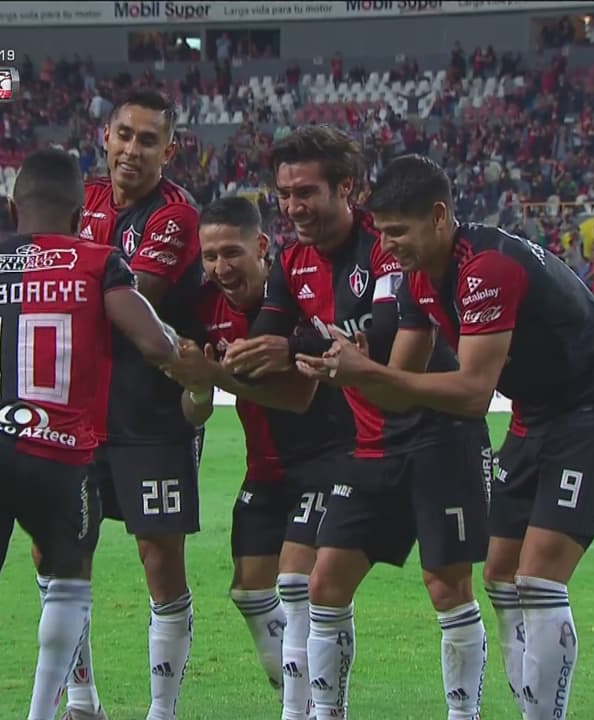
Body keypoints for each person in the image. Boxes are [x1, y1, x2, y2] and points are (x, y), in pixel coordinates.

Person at [294, 154, 594, 720]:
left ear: (439, 217)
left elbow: (474, 392)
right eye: (381, 232)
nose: (387, 246)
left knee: (538, 576)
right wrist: (351, 370)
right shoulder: (418, 279)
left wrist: (370, 372)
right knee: (500, 573)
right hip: (536, 415)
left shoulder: (485, 268)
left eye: (398, 231)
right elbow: (399, 388)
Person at [0, 148, 184, 720]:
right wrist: (178, 348)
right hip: (59, 453)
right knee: (68, 582)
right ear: (80, 216)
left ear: (13, 208)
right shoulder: (98, 261)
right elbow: (156, 345)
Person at [223, 131, 490, 720]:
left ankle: (463, 715)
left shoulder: (388, 244)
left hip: (439, 436)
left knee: (447, 586)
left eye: (305, 192)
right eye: (284, 193)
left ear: (346, 187)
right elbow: (264, 344)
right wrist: (241, 357)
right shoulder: (291, 263)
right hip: (369, 444)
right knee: (324, 584)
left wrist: (294, 343)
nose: (292, 207)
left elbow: (390, 341)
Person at [45, 88, 205, 720]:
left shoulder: (175, 216)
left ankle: (161, 711)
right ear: (105, 137)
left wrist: (63, 282)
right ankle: (82, 702)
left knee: (158, 557)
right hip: (77, 411)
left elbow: (134, 298)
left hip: (151, 413)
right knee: (62, 554)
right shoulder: (79, 199)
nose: (133, 149)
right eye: (125, 135)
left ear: (170, 151)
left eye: (148, 140)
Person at [170, 196, 355, 720]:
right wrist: (199, 387)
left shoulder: (293, 295)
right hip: (265, 469)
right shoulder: (204, 308)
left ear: (262, 247)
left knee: (297, 584)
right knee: (250, 591)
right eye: (210, 256)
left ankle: (314, 710)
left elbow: (298, 397)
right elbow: (194, 409)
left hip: (326, 457)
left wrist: (217, 376)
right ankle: (307, 698)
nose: (220, 268)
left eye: (232, 252)